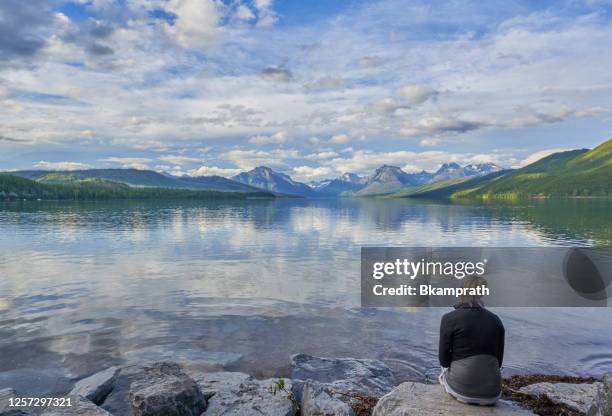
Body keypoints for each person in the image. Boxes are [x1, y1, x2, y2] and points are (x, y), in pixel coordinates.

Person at [438, 275, 505, 405]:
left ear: (460, 291)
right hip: (492, 393)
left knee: (443, 371)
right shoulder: (496, 320)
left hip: (462, 390)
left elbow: (444, 360)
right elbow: (499, 362)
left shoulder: (449, 318)